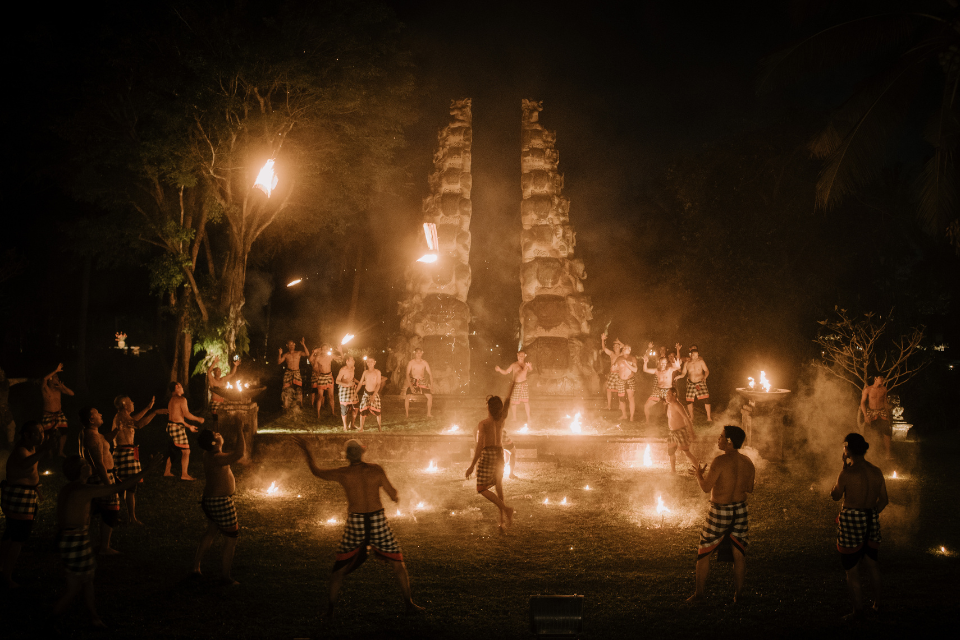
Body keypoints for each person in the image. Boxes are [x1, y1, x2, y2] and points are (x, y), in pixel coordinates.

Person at [291, 436, 424, 618]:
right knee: (397, 563)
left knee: (339, 568)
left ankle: (330, 610)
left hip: (356, 523)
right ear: (363, 452)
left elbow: (316, 472)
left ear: (346, 456)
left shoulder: (343, 473)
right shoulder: (376, 470)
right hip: (377, 520)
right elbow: (393, 494)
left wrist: (307, 451)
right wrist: (396, 497)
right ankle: (409, 604)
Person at [54, 453, 162, 628]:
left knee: (87, 580)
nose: (90, 465)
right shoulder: (83, 490)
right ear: (83, 470)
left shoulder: (68, 488)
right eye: (86, 464)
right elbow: (116, 489)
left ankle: (94, 617)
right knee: (74, 587)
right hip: (76, 542)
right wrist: (147, 470)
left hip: (69, 539)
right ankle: (52, 620)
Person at [688, 426, 755, 604]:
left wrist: (698, 475)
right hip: (740, 510)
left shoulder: (719, 461)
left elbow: (705, 487)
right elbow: (750, 488)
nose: (718, 439)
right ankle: (739, 595)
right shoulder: (748, 462)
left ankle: (699, 595)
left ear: (729, 442)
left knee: (704, 551)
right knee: (739, 552)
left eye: (721, 437)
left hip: (720, 511)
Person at [830, 433, 888, 621]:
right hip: (871, 518)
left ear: (847, 449)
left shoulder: (846, 473)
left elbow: (836, 496)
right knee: (872, 564)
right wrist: (869, 514)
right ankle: (878, 605)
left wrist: (843, 471)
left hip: (851, 521)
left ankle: (858, 611)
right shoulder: (876, 471)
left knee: (851, 569)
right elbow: (884, 500)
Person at [1, 421, 56, 587]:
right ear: (26, 435)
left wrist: (48, 441)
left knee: (11, 533)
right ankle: (6, 576)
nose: (42, 435)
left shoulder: (30, 446)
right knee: (18, 537)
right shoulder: (21, 449)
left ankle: (2, 567)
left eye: (42, 431)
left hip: (22, 495)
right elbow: (26, 464)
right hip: (19, 497)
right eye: (38, 432)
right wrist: (45, 448)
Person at [192, 427, 246, 585]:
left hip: (209, 501)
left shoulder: (209, 454)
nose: (218, 433)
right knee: (231, 538)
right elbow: (238, 454)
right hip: (220, 503)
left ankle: (195, 567)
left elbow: (233, 456)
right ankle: (225, 577)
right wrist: (240, 429)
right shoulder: (217, 457)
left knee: (211, 532)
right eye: (216, 435)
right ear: (214, 442)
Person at [465, 387, 516, 532]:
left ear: (488, 408)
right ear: (499, 410)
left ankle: (506, 509)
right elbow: (507, 401)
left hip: (488, 455)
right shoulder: (501, 421)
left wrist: (471, 466)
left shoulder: (483, 424)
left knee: (481, 488)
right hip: (499, 454)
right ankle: (501, 523)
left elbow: (480, 446)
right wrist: (513, 382)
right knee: (499, 487)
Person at [111, 395, 165, 525]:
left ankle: (123, 515)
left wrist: (147, 408)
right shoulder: (121, 416)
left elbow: (134, 419)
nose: (133, 402)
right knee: (129, 486)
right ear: (124, 405)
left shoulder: (123, 416)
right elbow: (139, 424)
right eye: (131, 401)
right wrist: (155, 412)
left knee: (126, 486)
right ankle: (131, 517)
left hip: (126, 452)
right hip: (125, 453)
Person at [79, 407, 122, 555]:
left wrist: (116, 431)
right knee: (109, 510)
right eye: (97, 413)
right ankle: (104, 547)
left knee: (97, 510)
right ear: (91, 419)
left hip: (105, 476)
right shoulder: (92, 437)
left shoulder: (96, 435)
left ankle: (92, 544)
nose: (101, 414)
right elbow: (99, 463)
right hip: (102, 477)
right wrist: (109, 487)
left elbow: (105, 440)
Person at [164, 382, 203, 480]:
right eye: (181, 386)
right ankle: (184, 474)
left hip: (170, 427)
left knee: (173, 450)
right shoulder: (182, 399)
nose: (183, 388)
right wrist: (198, 419)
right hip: (177, 428)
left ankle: (167, 472)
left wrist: (189, 426)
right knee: (186, 451)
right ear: (176, 387)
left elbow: (177, 418)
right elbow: (186, 414)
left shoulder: (171, 400)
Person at [41, 363, 74, 456]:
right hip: (48, 414)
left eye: (57, 376)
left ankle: (60, 452)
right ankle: (49, 453)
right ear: (50, 379)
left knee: (64, 433)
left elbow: (72, 394)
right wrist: (55, 370)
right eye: (55, 377)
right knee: (48, 435)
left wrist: (62, 386)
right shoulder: (45, 389)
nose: (58, 378)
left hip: (59, 414)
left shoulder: (58, 389)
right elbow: (44, 379)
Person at [642, 347, 682, 424]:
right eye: (662, 363)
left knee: (676, 406)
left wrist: (676, 360)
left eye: (664, 363)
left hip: (668, 391)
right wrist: (645, 362)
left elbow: (678, 367)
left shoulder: (670, 369)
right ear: (659, 363)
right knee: (646, 406)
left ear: (666, 363)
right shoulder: (657, 371)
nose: (663, 364)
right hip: (658, 391)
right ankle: (647, 421)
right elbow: (645, 370)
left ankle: (678, 420)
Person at [665, 389, 699, 474]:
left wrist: (692, 432)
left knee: (687, 452)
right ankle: (673, 471)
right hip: (672, 432)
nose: (667, 396)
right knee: (671, 451)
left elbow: (686, 418)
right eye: (666, 394)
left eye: (669, 394)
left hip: (680, 432)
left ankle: (699, 469)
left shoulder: (677, 405)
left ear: (674, 394)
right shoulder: (669, 405)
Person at [495, 351, 534, 423]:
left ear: (525, 356)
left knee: (526, 402)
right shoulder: (514, 365)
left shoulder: (526, 365)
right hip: (516, 385)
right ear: (517, 356)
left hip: (523, 384)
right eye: (519, 356)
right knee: (513, 403)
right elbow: (506, 371)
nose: (520, 357)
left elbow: (531, 370)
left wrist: (529, 366)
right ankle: (514, 418)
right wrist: (500, 370)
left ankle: (528, 418)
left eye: (522, 356)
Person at [860, 376, 892, 460]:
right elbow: (862, 403)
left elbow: (885, 402)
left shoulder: (884, 389)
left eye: (883, 378)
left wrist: (888, 415)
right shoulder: (868, 389)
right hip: (871, 412)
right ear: (875, 378)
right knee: (868, 433)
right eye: (881, 378)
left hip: (882, 412)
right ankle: (866, 454)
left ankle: (887, 455)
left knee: (887, 432)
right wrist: (865, 415)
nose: (882, 379)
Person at [309, 343, 341, 419]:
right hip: (321, 377)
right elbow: (310, 360)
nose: (324, 350)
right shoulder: (318, 357)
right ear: (321, 349)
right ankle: (318, 414)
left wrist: (341, 351)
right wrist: (314, 352)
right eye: (323, 349)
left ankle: (333, 412)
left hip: (329, 376)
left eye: (326, 349)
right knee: (320, 396)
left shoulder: (330, 356)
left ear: (327, 349)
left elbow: (341, 358)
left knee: (331, 396)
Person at [679, 346, 712, 422]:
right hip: (690, 383)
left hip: (700, 382)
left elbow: (707, 371)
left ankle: (709, 417)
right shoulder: (687, 363)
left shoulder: (701, 361)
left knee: (706, 399)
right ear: (691, 355)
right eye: (693, 355)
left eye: (697, 355)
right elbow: (684, 373)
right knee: (689, 400)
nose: (695, 357)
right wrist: (679, 376)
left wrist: (705, 377)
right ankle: (692, 417)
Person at [1, 366, 29, 448]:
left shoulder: (7, 382)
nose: (2, 375)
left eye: (2, 373)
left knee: (11, 425)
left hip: (4, 408)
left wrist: (31, 380)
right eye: (0, 374)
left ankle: (10, 443)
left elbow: (19, 380)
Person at [278, 338, 309, 410]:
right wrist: (280, 354)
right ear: (287, 346)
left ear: (294, 345)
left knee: (298, 389)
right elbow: (279, 362)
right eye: (290, 345)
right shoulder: (286, 355)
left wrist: (303, 345)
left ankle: (300, 404)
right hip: (288, 372)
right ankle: (286, 406)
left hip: (296, 372)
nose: (291, 346)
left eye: (293, 344)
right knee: (286, 389)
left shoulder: (298, 353)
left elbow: (307, 354)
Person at [403, 348, 435, 418]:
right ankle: (407, 414)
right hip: (413, 381)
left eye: (420, 353)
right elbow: (407, 374)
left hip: (421, 381)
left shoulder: (424, 362)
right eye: (417, 353)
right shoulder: (411, 362)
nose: (418, 354)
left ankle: (428, 413)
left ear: (422, 353)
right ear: (414, 353)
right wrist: (411, 387)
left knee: (430, 397)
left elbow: (430, 374)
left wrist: (432, 386)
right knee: (407, 397)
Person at [207, 355, 240, 420]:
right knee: (216, 419)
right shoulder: (212, 380)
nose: (219, 372)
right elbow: (208, 372)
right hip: (215, 402)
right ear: (214, 372)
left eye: (220, 371)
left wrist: (235, 366)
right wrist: (214, 362)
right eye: (217, 371)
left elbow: (232, 374)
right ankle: (215, 430)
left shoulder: (223, 379)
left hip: (223, 401)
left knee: (224, 419)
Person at [357, 357, 385, 432]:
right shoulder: (365, 372)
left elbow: (378, 384)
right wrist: (355, 393)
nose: (370, 363)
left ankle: (379, 427)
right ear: (367, 363)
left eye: (371, 362)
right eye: (368, 362)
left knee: (378, 411)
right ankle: (361, 428)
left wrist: (374, 395)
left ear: (374, 363)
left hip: (374, 393)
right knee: (362, 410)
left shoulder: (377, 372)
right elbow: (360, 383)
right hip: (366, 392)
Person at [612, 345, 639, 421]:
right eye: (624, 348)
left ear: (630, 350)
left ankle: (631, 417)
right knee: (621, 398)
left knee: (631, 398)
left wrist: (627, 364)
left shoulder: (632, 358)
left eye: (627, 348)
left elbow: (635, 370)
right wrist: (614, 367)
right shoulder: (619, 358)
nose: (625, 349)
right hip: (621, 380)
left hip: (629, 380)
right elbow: (614, 367)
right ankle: (624, 415)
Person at [600, 333, 624, 410]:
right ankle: (609, 406)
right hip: (612, 374)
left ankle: (621, 406)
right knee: (609, 389)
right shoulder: (611, 354)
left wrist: (619, 342)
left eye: (617, 346)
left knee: (620, 390)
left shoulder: (622, 354)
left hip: (619, 374)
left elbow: (625, 347)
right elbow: (604, 348)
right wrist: (603, 340)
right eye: (615, 346)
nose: (616, 347)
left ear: (620, 347)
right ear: (613, 348)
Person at [336, 356, 360, 431]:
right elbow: (337, 381)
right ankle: (345, 426)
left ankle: (352, 425)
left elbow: (352, 378)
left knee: (355, 407)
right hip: (344, 389)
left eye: (353, 359)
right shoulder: (343, 369)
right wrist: (346, 384)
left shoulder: (353, 368)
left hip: (352, 388)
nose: (354, 361)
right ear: (347, 361)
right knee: (344, 408)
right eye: (352, 360)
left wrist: (359, 382)